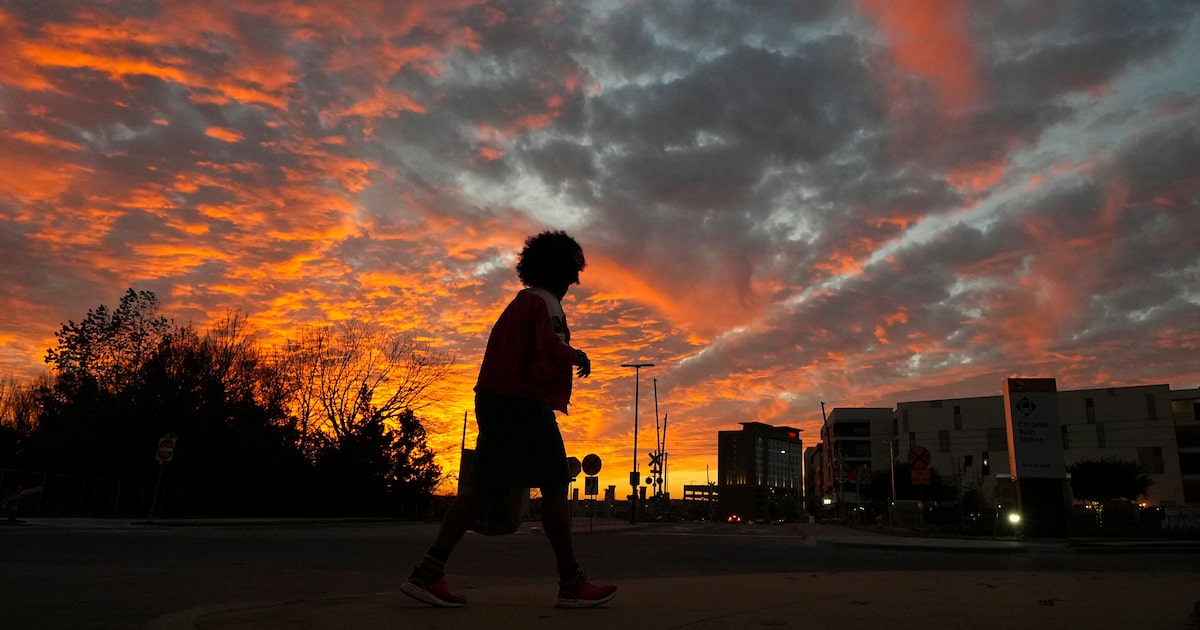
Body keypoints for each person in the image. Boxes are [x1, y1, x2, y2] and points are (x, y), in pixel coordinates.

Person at [400, 230, 617, 609]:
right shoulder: (544, 302)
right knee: (554, 484)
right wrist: (578, 356)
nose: (572, 284)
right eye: (572, 276)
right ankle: (570, 581)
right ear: (562, 272)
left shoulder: (520, 303)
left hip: (495, 401)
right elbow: (550, 346)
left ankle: (428, 572)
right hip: (523, 405)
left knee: (479, 487)